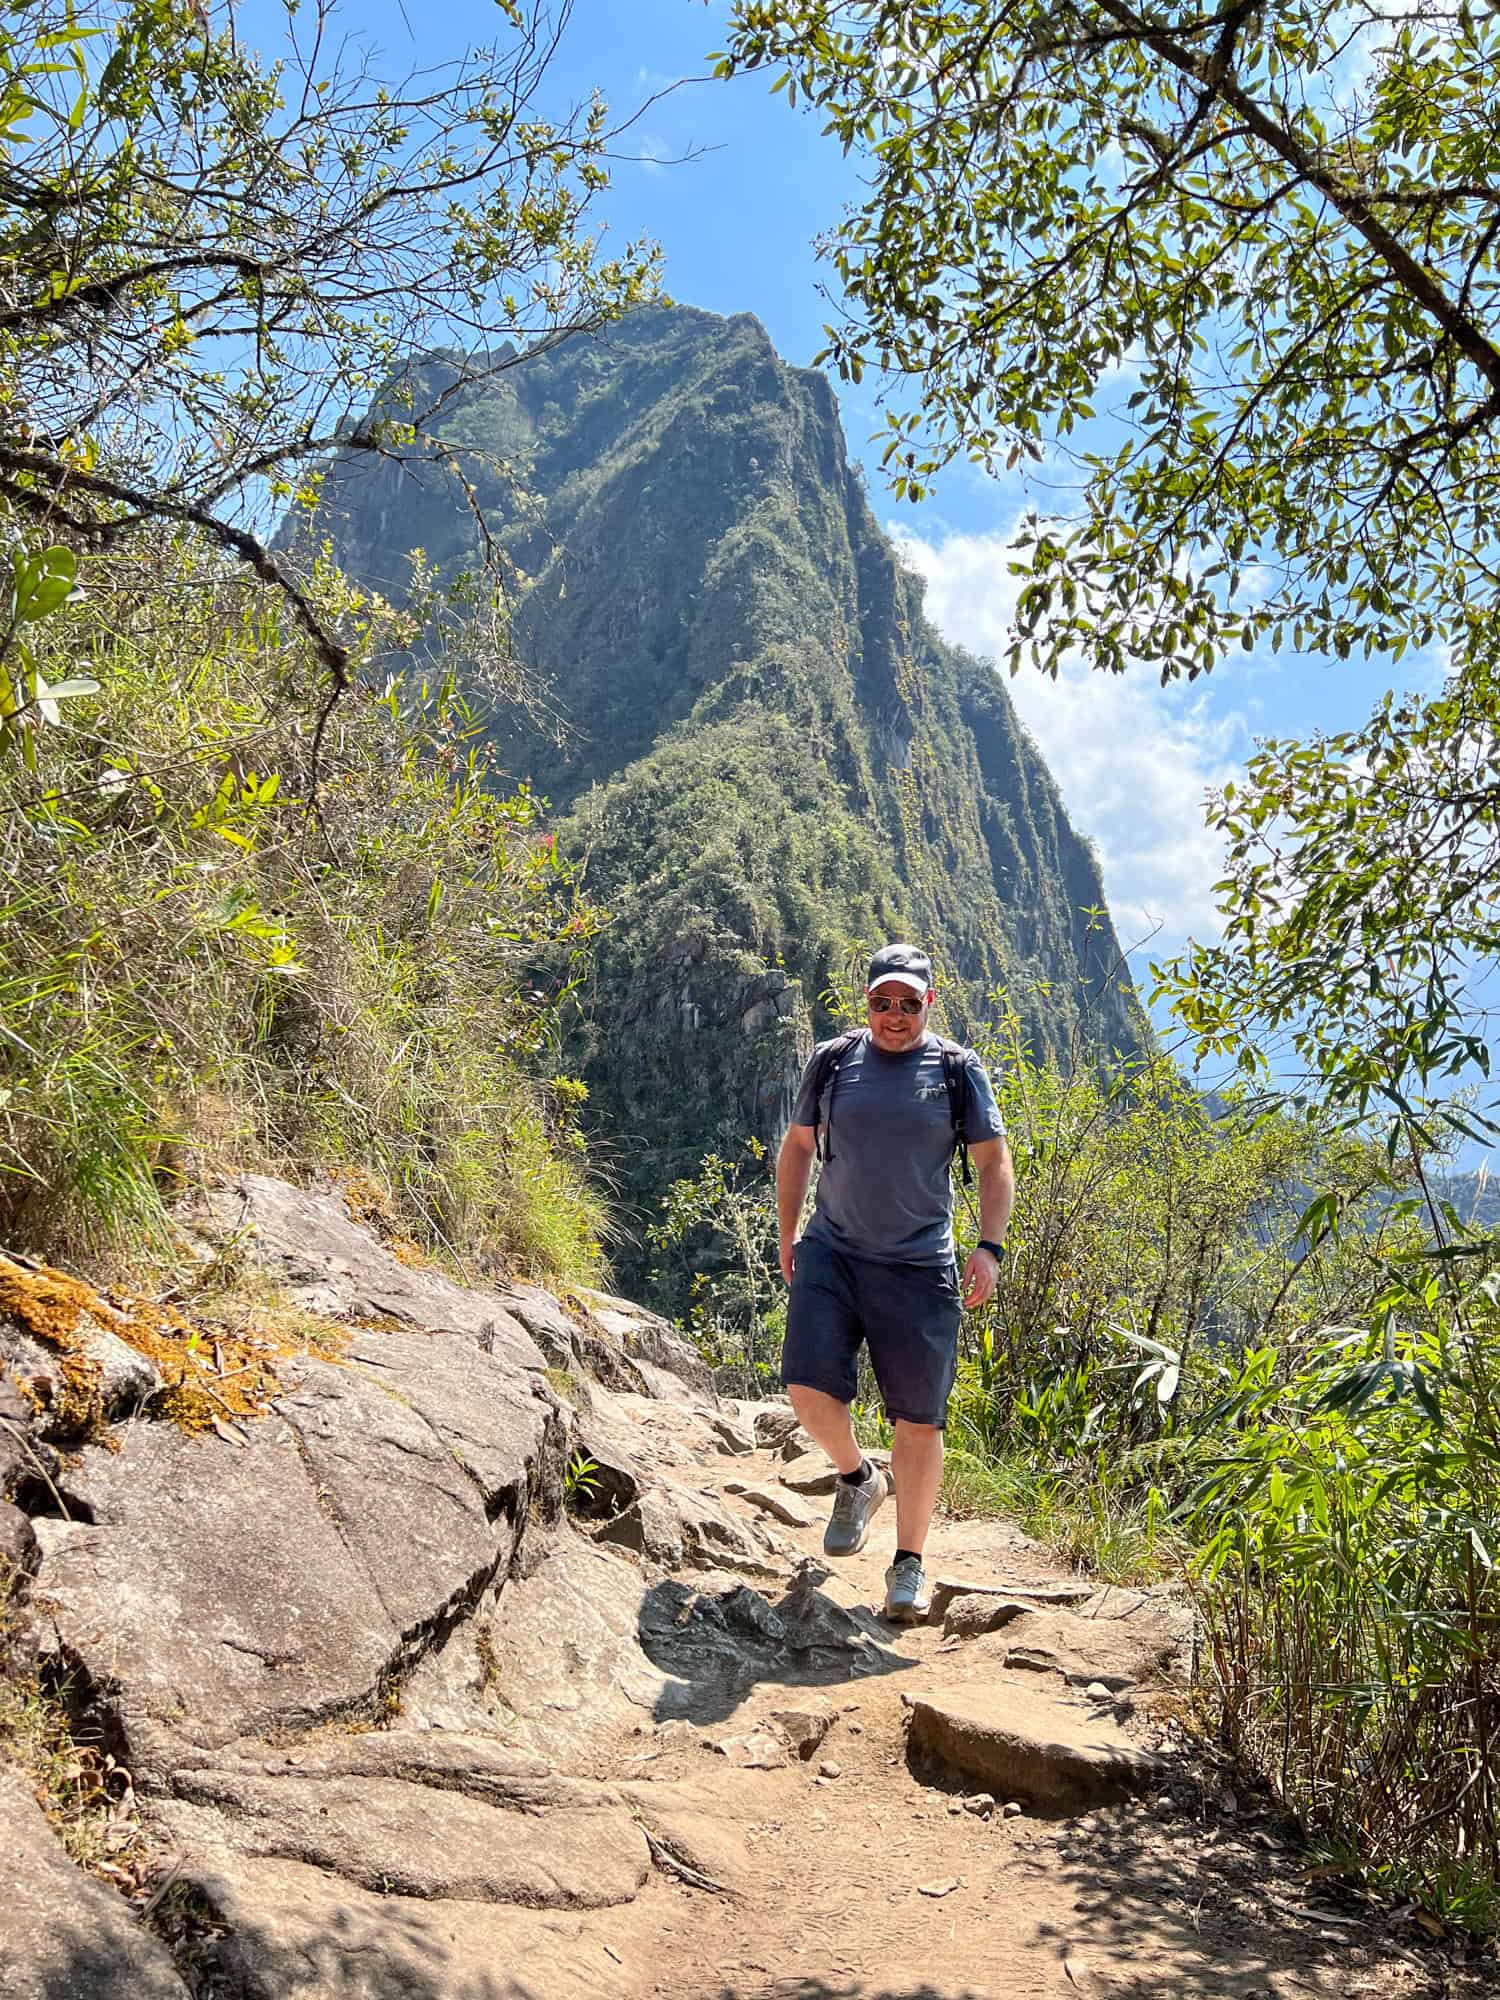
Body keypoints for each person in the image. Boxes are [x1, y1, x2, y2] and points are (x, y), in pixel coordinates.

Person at [775, 943, 1015, 1622]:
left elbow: (994, 1164)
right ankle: (857, 1478)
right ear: (868, 1003)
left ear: (928, 1004)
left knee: (918, 1418)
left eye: (909, 1003)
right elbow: (797, 1149)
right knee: (806, 1387)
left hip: (918, 1267)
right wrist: (788, 1234)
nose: (895, 1015)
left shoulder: (956, 1071)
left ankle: (908, 1564)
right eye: (884, 1002)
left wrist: (989, 1248)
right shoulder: (834, 1061)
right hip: (833, 1249)